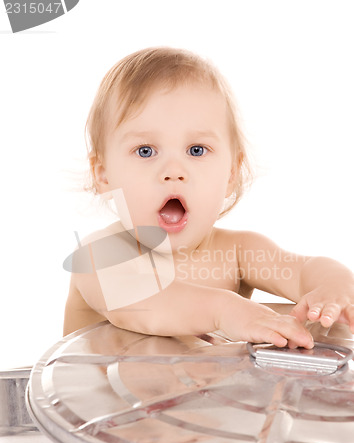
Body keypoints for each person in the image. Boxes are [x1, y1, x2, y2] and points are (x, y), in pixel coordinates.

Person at [63, 47, 354, 349]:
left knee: (319, 334)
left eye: (196, 150)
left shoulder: (239, 252)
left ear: (231, 173)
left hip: (201, 396)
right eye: (146, 151)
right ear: (104, 174)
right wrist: (228, 310)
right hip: (93, 397)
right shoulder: (99, 257)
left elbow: (303, 269)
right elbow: (145, 305)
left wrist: (333, 289)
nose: (174, 171)